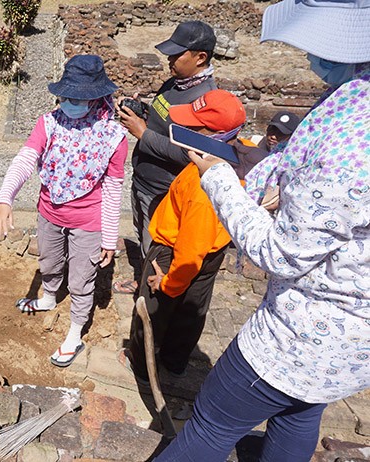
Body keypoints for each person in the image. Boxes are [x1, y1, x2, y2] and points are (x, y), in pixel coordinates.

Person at [154, 0, 370, 459]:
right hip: (351, 344)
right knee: (299, 415)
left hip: (300, 334)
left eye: (321, 47)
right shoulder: (354, 101)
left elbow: (281, 253)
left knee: (209, 428)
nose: (311, 59)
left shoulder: (351, 143)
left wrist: (217, 177)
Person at [0, 55, 128, 367]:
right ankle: (48, 297)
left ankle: (75, 334)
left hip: (88, 220)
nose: (71, 103)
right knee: (48, 260)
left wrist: (109, 238)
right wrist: (4, 198)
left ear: (97, 97)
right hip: (49, 211)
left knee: (81, 280)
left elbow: (114, 188)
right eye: (66, 96)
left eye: (79, 98)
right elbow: (25, 159)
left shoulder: (113, 137)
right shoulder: (49, 122)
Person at [119, 90, 268, 383]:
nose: (184, 130)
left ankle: (141, 364)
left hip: (174, 251)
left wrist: (168, 283)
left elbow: (189, 252)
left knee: (154, 310)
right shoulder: (245, 154)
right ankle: (176, 362)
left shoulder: (203, 187)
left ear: (210, 135)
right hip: (213, 250)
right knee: (193, 310)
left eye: (193, 126)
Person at [113, 20, 218, 295]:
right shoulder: (176, 82)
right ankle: (143, 279)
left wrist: (142, 133)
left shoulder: (206, 99)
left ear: (200, 57)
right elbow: (165, 121)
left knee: (157, 246)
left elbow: (191, 154)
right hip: (145, 179)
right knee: (143, 235)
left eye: (176, 54)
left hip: (164, 189)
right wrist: (141, 112)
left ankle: (151, 297)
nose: (169, 60)